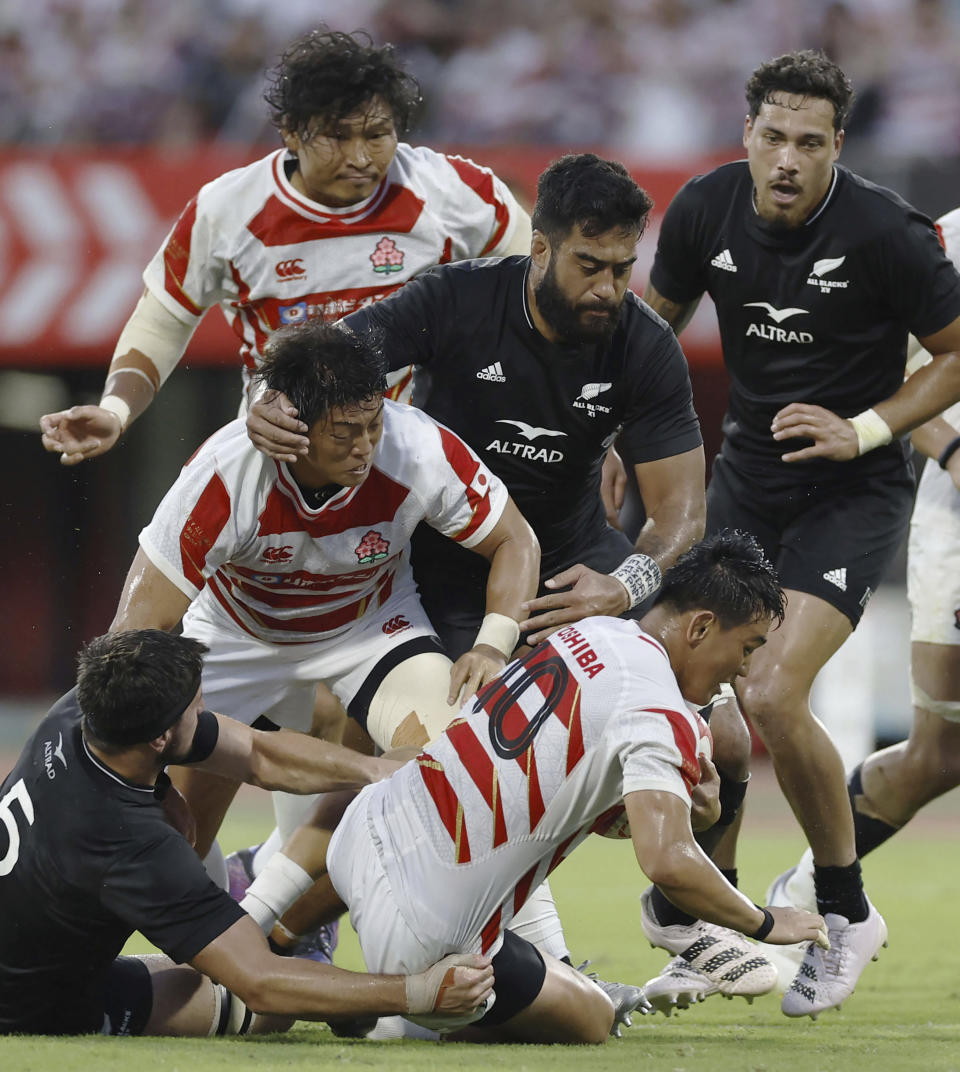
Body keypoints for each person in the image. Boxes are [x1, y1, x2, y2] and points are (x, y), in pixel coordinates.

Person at [640, 49, 960, 1018]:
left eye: (808, 143)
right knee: (701, 700)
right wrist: (617, 432)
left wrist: (864, 428)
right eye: (773, 137)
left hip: (851, 492)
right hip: (745, 478)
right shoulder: (703, 208)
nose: (787, 158)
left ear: (837, 148)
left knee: (775, 689)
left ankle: (845, 906)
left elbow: (953, 357)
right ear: (747, 135)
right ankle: (713, 927)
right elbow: (652, 329)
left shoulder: (889, 233)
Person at [240, 531, 829, 1044]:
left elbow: (561, 781)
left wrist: (682, 812)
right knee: (594, 1017)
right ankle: (384, 1004)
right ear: (701, 626)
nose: (745, 670)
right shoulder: (659, 712)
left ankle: (287, 932)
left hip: (362, 831)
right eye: (747, 648)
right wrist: (764, 923)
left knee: (421, 814)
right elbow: (668, 862)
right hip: (427, 941)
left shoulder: (591, 633)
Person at [109, 319, 538, 877]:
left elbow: (516, 539)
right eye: (344, 433)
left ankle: (280, 916)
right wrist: (165, 720)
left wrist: (493, 645)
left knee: (459, 773)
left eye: (373, 426)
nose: (364, 449)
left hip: (370, 630)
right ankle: (218, 932)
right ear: (292, 426)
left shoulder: (417, 448)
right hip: (235, 637)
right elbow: (136, 630)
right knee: (168, 841)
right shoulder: (224, 475)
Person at [38, 27, 530, 464]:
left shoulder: (452, 191)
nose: (360, 157)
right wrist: (115, 410)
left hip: (411, 462)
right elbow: (164, 317)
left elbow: (540, 291)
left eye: (378, 135)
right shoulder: (228, 209)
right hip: (278, 459)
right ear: (290, 132)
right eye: (336, 137)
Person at [0, 629, 493, 1037]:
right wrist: (416, 991)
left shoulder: (83, 713)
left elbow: (256, 753)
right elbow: (260, 981)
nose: (206, 710)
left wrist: (374, 770)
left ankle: (237, 910)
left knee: (223, 968)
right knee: (266, 1009)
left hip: (23, 951)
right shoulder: (131, 845)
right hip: (35, 1008)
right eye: (196, 707)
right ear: (159, 737)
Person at [768, 205, 960, 931]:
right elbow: (897, 373)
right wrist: (951, 451)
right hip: (955, 522)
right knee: (938, 756)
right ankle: (809, 891)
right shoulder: (943, 241)